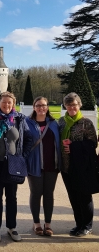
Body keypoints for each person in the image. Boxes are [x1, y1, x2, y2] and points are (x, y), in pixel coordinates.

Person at [0, 91, 32, 243]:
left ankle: (12, 227)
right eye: (3, 102)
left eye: (9, 103)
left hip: (13, 165)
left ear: (13, 104)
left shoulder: (19, 119)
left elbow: (29, 139)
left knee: (12, 198)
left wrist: (22, 156)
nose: (6, 105)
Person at [59, 92, 99, 237]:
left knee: (84, 197)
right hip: (66, 167)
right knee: (73, 197)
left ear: (79, 105)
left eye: (74, 104)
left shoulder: (86, 123)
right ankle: (79, 224)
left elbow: (93, 143)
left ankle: (87, 225)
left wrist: (74, 146)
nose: (71, 107)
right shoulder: (62, 121)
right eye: (68, 105)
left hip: (82, 167)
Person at [26, 96, 61, 236]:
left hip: (52, 165)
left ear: (47, 107)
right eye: (38, 105)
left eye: (44, 105)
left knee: (48, 194)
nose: (41, 108)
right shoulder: (27, 123)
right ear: (34, 107)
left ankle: (48, 224)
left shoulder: (54, 124)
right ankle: (36, 224)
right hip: (34, 164)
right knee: (36, 194)